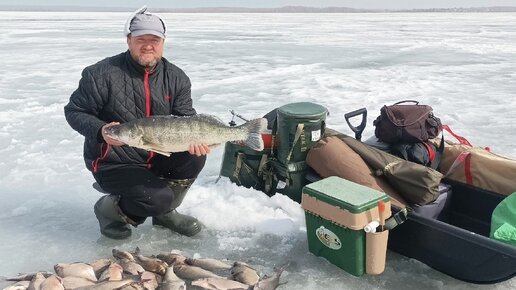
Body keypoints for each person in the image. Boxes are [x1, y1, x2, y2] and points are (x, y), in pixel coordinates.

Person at [64, 7, 210, 239]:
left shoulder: (176, 77)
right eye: (141, 39)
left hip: (161, 152)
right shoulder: (100, 74)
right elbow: (75, 112)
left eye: (155, 39)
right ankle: (109, 211)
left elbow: (185, 119)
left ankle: (164, 213)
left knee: (195, 156)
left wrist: (198, 140)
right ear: (129, 40)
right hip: (114, 160)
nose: (148, 45)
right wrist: (101, 131)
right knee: (157, 197)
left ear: (163, 41)